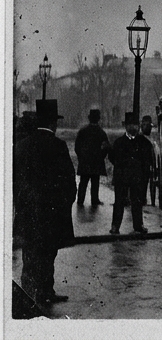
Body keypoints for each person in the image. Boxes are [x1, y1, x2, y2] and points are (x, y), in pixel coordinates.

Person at [14, 99, 76, 305]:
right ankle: (46, 291)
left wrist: (21, 205)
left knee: (30, 254)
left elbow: (15, 181)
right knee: (49, 253)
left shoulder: (22, 146)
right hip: (52, 213)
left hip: (29, 212)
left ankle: (29, 295)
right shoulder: (58, 146)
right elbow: (69, 181)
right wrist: (65, 205)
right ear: (53, 123)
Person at [108, 111, 154, 235]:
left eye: (135, 125)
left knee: (137, 202)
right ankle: (115, 226)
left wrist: (143, 174)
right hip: (122, 177)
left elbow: (148, 160)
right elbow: (112, 157)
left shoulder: (144, 143)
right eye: (130, 125)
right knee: (119, 202)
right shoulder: (118, 143)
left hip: (137, 177)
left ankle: (138, 226)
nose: (133, 128)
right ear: (125, 126)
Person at [74, 108, 111, 207]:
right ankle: (94, 200)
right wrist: (101, 157)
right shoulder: (101, 133)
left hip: (85, 161)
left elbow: (77, 147)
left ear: (89, 118)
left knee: (83, 182)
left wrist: (81, 157)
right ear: (98, 119)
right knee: (95, 181)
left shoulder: (82, 131)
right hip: (96, 161)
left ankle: (80, 200)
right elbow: (106, 147)